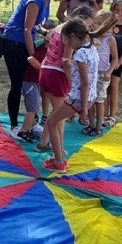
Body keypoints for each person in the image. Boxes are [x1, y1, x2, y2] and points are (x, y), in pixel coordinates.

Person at [1, 0, 78, 134]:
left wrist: (45, 32)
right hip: (14, 43)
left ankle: (33, 121)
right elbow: (27, 29)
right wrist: (34, 57)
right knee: (17, 85)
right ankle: (14, 126)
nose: (63, 0)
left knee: (31, 82)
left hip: (24, 42)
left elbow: (35, 26)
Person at [42, 18, 101, 173]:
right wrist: (68, 67)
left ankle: (59, 162)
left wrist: (84, 112)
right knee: (53, 120)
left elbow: (84, 83)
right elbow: (84, 79)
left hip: (78, 98)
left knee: (51, 122)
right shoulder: (92, 49)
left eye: (67, 40)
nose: (67, 44)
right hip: (86, 97)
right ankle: (59, 157)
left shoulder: (80, 54)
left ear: (74, 37)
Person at [15, 25, 51, 143]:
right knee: (33, 107)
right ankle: (23, 131)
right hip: (29, 82)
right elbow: (31, 59)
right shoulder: (42, 51)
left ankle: (29, 128)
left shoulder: (47, 51)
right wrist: (42, 69)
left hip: (34, 82)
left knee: (34, 107)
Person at [86, 10, 118, 136]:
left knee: (99, 100)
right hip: (91, 73)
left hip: (103, 74)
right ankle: (91, 124)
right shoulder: (92, 37)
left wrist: (109, 72)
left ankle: (98, 126)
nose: (95, 25)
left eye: (99, 23)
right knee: (90, 100)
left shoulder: (110, 40)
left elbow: (115, 58)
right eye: (95, 22)